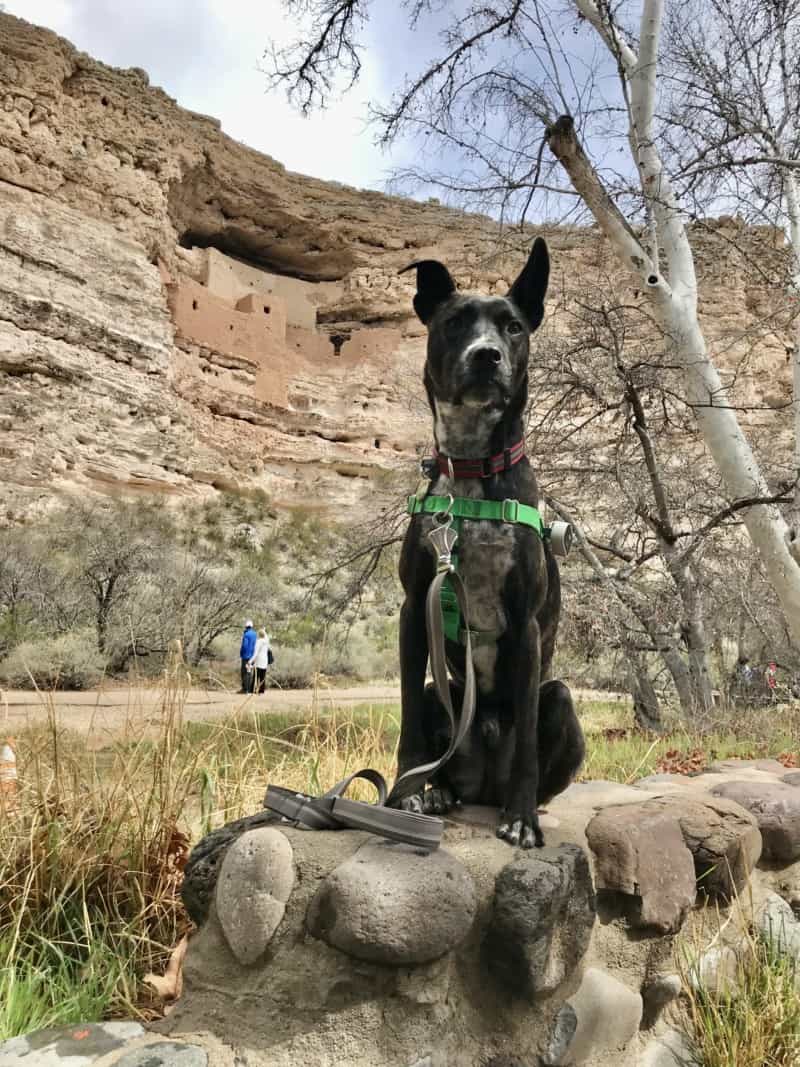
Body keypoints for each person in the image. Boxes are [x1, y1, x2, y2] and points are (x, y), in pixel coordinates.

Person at [249, 628, 272, 694]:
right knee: (262, 677)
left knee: (255, 677)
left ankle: (252, 690)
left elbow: (255, 653)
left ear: (258, 635)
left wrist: (250, 661)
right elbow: (267, 637)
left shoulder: (258, 642)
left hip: (259, 661)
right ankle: (261, 691)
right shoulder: (266, 641)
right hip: (265, 661)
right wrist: (264, 630)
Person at [239, 619, 257, 693]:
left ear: (246, 626)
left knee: (244, 672)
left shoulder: (246, 634)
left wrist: (241, 653)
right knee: (249, 672)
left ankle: (245, 689)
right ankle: (249, 689)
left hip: (246, 656)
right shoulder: (255, 634)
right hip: (252, 656)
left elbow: (244, 646)